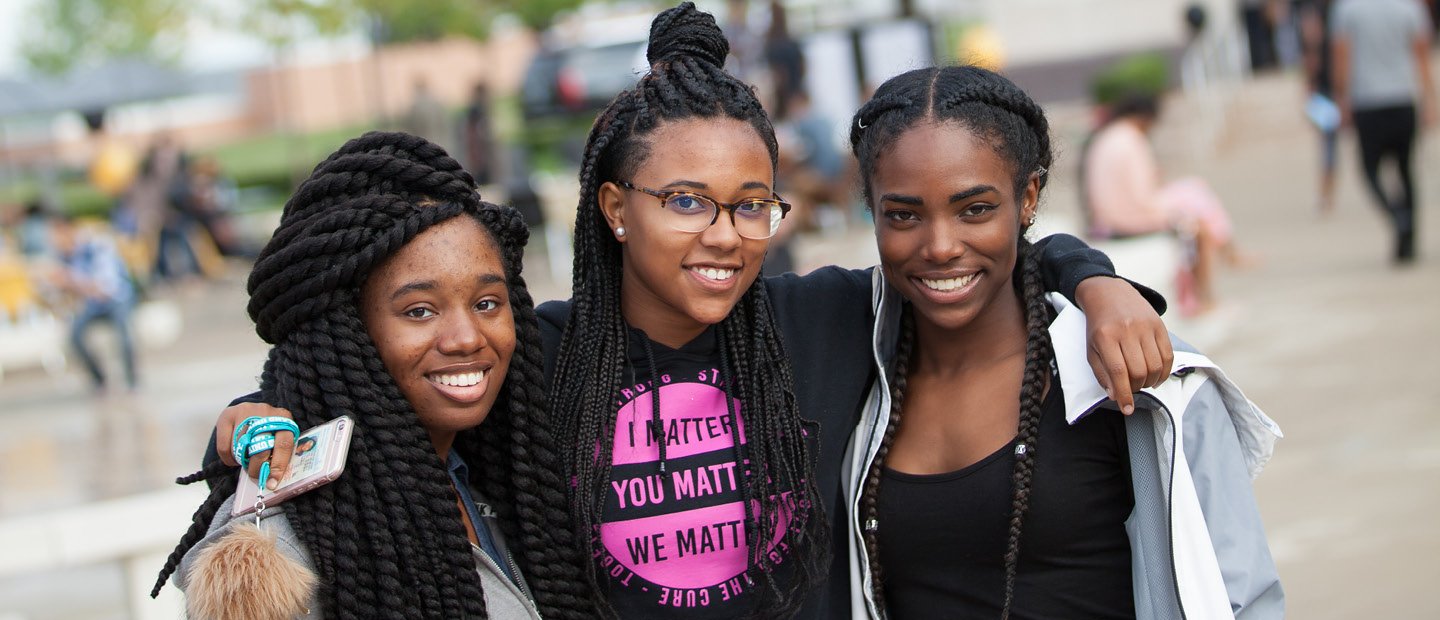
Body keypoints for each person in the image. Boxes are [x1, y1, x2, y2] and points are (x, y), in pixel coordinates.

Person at [207, 4, 1175, 618]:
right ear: (617, 207)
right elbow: (374, 370)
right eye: (687, 201)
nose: (727, 233)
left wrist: (1093, 278)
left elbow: (958, 251)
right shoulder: (537, 356)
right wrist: (248, 417)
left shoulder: (823, 322)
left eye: (752, 203)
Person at [844, 65, 1284, 619]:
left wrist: (1092, 278)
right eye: (904, 214)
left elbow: (1238, 597)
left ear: (1028, 197)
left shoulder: (1138, 378)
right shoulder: (845, 365)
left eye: (975, 209)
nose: (940, 246)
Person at [151, 132, 594, 619]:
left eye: (487, 302)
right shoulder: (288, 551)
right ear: (348, 332)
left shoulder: (508, 473)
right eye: (420, 311)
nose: (467, 337)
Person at [1081, 93, 1249, 314]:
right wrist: (1174, 216)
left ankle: (1227, 254)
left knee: (1193, 194)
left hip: (1109, 216)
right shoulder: (1131, 140)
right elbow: (1142, 196)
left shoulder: (1108, 136)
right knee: (1199, 226)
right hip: (1127, 218)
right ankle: (1204, 298)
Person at [1331, 0, 1436, 263]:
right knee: (1405, 170)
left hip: (1367, 101)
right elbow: (1421, 55)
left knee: (1369, 170)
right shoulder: (1409, 8)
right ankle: (1408, 238)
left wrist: (1342, 99)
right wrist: (1429, 99)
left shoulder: (1347, 9)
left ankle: (1396, 216)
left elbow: (1342, 55)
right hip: (1403, 97)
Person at [48, 215, 139, 393]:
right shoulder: (65, 256)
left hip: (117, 298)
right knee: (74, 336)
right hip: (93, 304)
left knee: (124, 336)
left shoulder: (97, 246)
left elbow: (106, 288)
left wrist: (70, 281)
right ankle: (100, 381)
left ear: (66, 230)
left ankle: (132, 382)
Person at [1299, 0, 1340, 214]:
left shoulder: (1328, 20)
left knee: (1328, 147)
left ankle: (1326, 194)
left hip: (1330, 91)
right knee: (1328, 147)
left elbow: (1312, 63)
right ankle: (1326, 193)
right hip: (1329, 92)